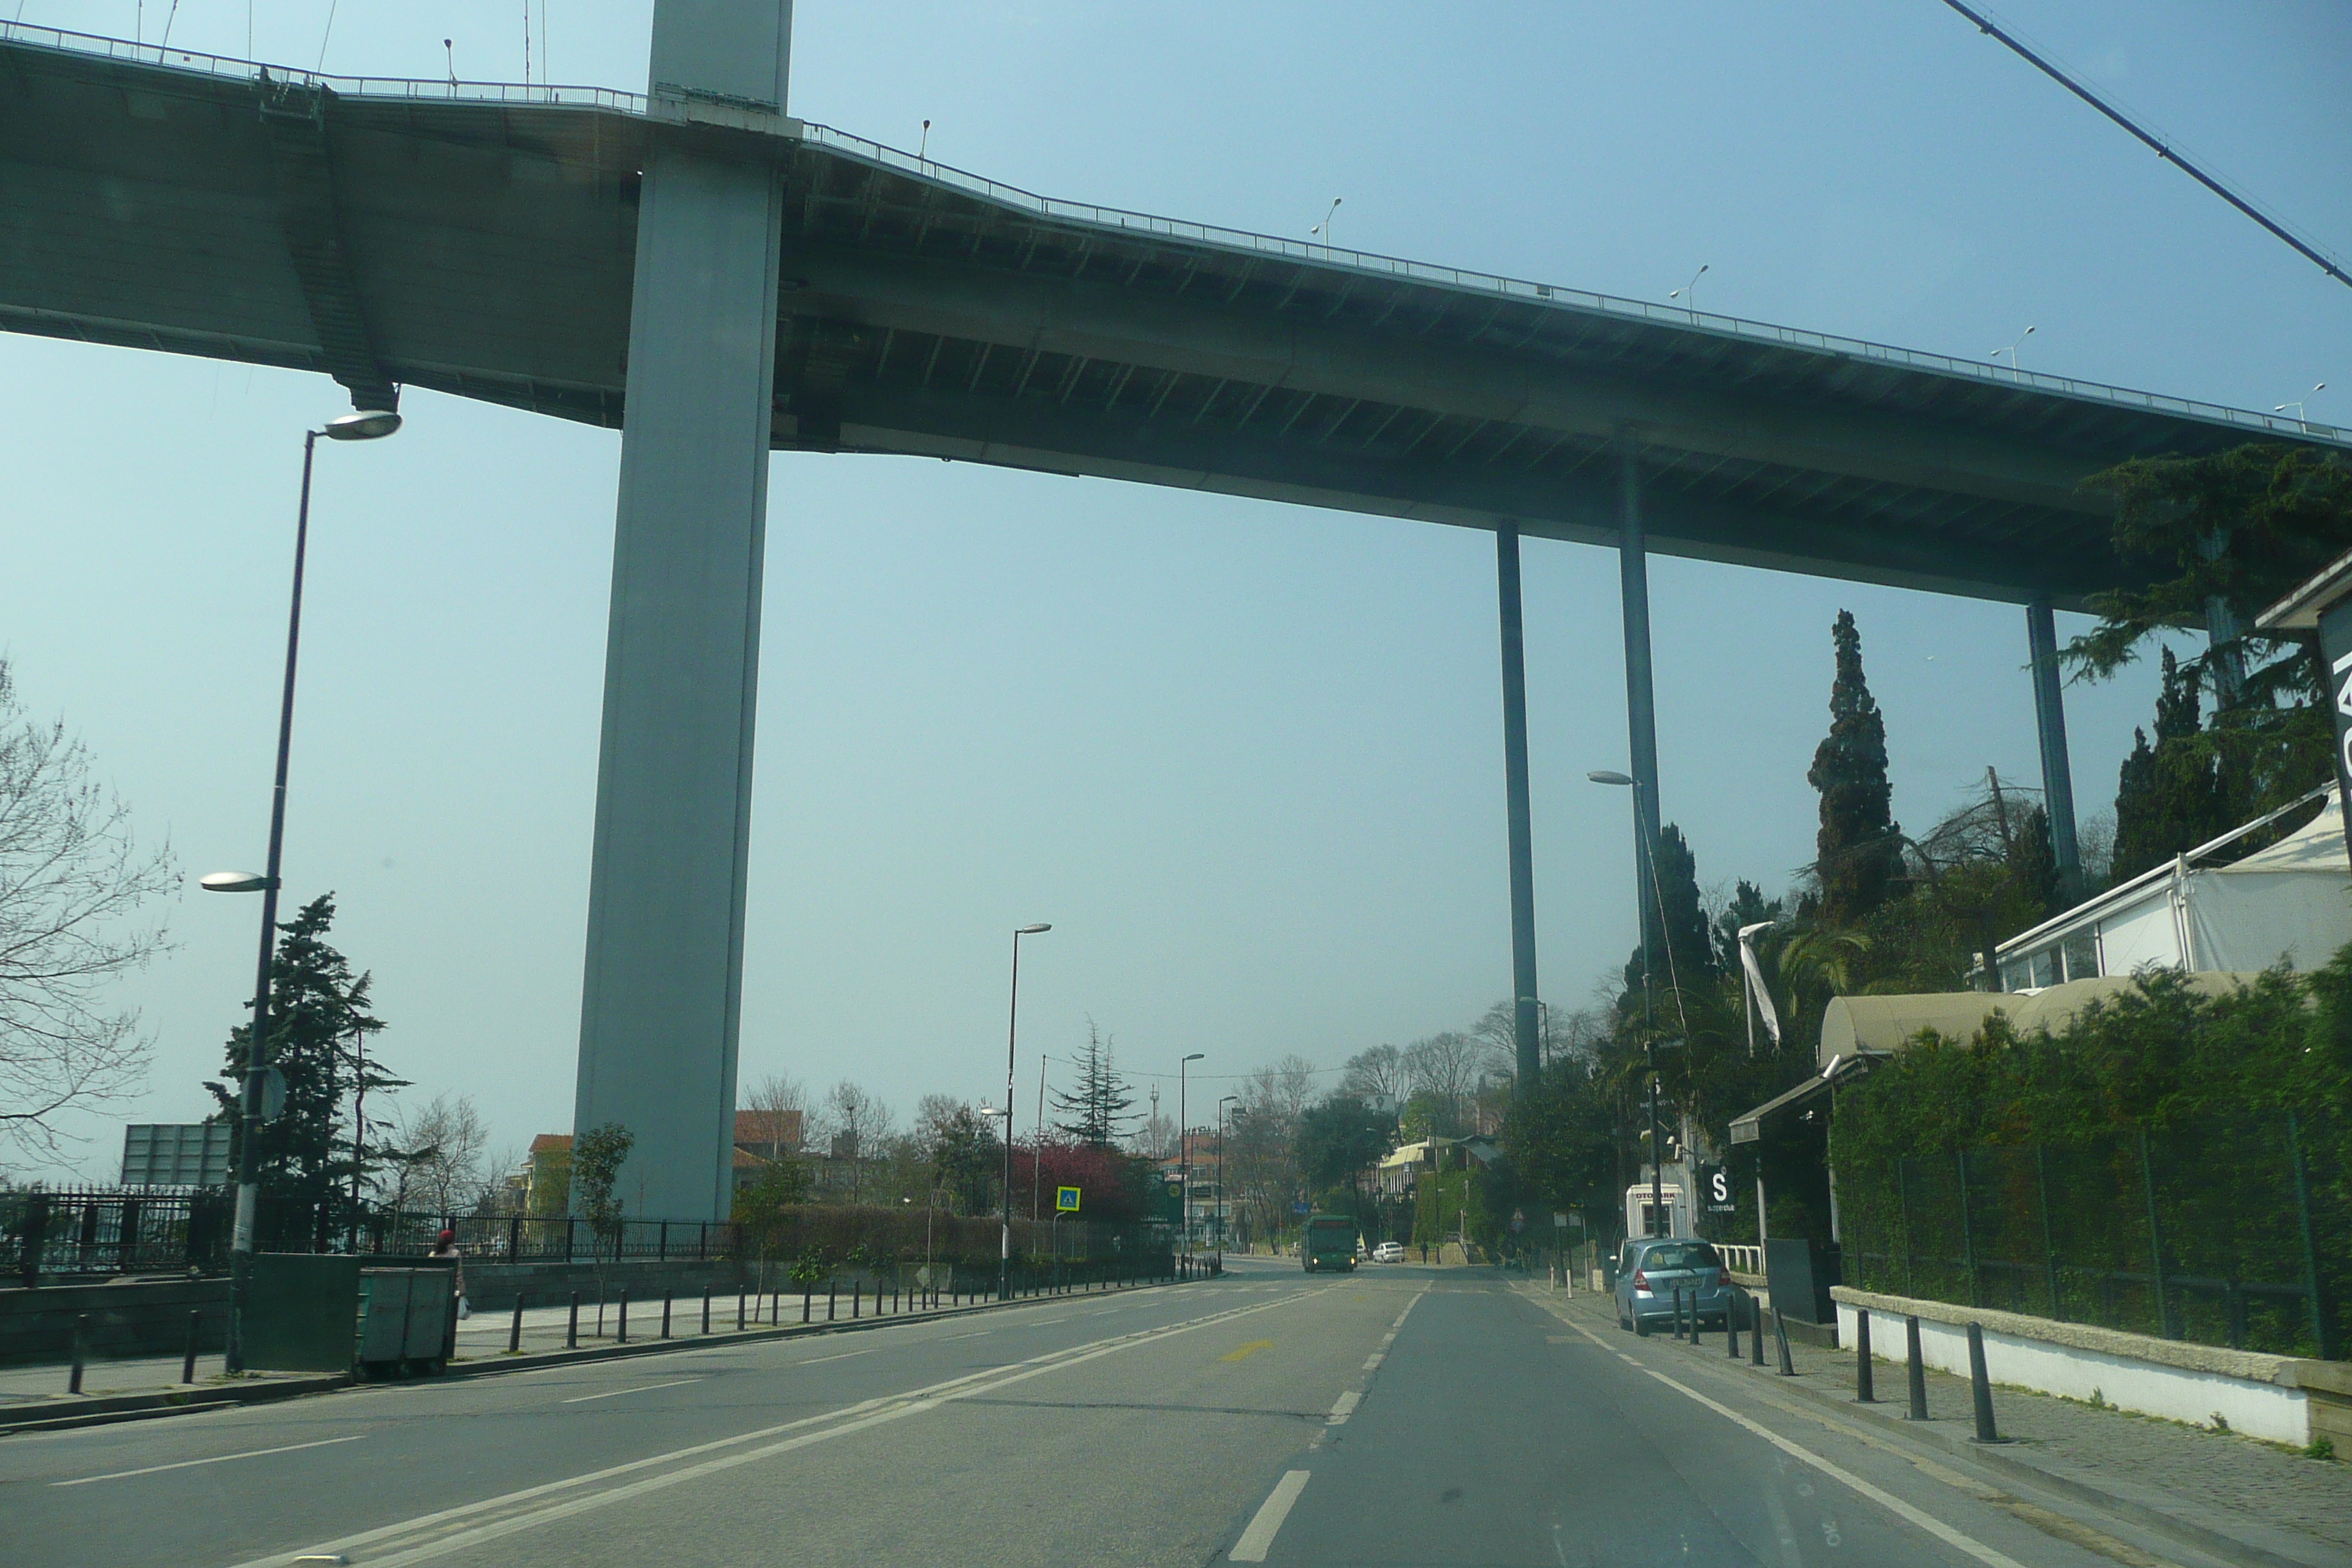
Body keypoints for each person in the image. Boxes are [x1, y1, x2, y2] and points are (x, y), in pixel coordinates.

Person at [430, 1227, 470, 1318]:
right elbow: (458, 1273)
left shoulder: (433, 1254)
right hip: (449, 1287)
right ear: (452, 1240)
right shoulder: (455, 1253)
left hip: (434, 1286)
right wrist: (462, 1289)